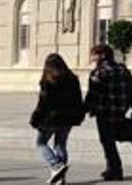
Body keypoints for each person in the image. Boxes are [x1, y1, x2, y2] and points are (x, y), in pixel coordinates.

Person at [29, 53, 84, 184]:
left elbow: (43, 103)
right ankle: (60, 178)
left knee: (40, 143)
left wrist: (35, 118)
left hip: (52, 118)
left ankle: (56, 165)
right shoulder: (73, 78)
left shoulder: (49, 80)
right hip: (68, 117)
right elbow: (78, 99)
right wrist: (79, 115)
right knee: (60, 145)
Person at [84, 44, 132, 181]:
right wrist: (127, 105)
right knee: (110, 140)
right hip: (120, 110)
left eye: (94, 54)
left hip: (104, 112)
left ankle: (116, 170)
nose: (92, 58)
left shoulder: (98, 73)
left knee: (107, 141)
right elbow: (131, 88)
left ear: (102, 55)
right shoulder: (123, 70)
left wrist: (84, 109)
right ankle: (110, 169)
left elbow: (92, 94)